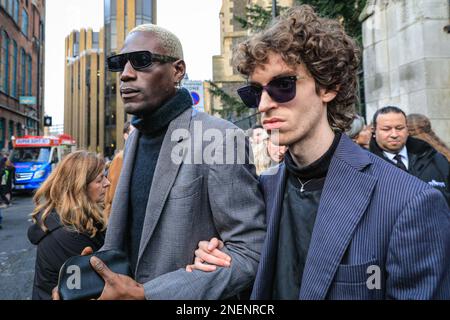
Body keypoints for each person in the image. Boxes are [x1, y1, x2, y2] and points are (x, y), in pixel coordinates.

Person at [189, 5, 450, 300]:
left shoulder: (409, 202)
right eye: (255, 92)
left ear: (328, 87)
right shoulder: (263, 190)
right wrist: (223, 265)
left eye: (283, 86)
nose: (263, 105)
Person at [66, 23, 266, 300]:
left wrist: (148, 294)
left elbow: (250, 252)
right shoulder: (134, 139)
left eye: (142, 61)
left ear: (178, 70)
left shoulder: (219, 137)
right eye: (120, 63)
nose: (125, 75)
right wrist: (95, 275)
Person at [28, 151, 111, 300]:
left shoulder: (70, 222)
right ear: (79, 187)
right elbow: (93, 289)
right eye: (100, 180)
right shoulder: (71, 234)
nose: (107, 183)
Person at [369, 106, 450, 205]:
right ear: (374, 131)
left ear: (407, 130)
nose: (394, 134)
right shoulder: (366, 165)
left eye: (399, 128)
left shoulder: (434, 158)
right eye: (386, 129)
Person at [103, 121, 135, 219]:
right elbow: (113, 194)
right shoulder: (121, 157)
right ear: (125, 136)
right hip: (117, 216)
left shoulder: (133, 155)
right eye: (133, 132)